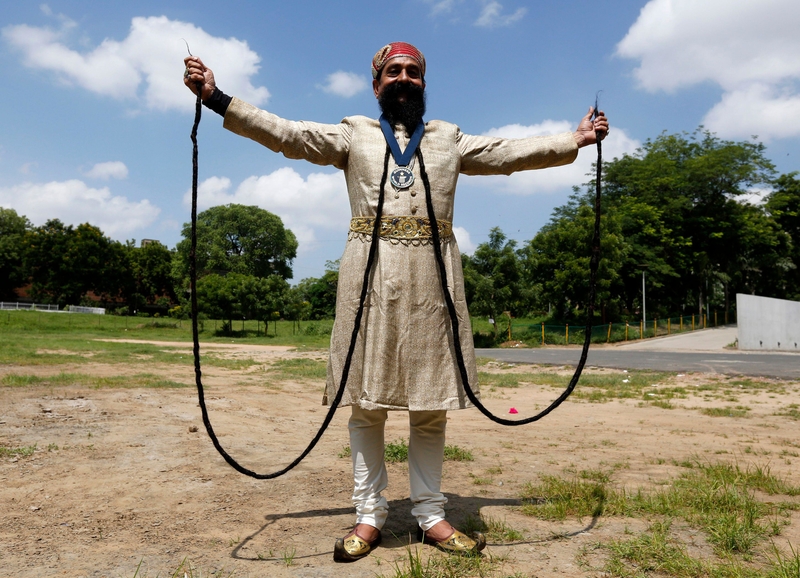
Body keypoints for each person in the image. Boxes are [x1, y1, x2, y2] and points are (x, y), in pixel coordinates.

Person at [184, 41, 608, 562]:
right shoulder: (353, 134)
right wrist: (218, 98)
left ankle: (431, 514)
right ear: (376, 82)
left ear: (424, 83)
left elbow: (506, 153)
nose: (404, 78)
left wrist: (577, 139)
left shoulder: (447, 138)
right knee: (366, 405)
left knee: (430, 406)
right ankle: (369, 516)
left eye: (413, 72)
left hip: (434, 283)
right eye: (394, 71)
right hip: (370, 278)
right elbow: (290, 135)